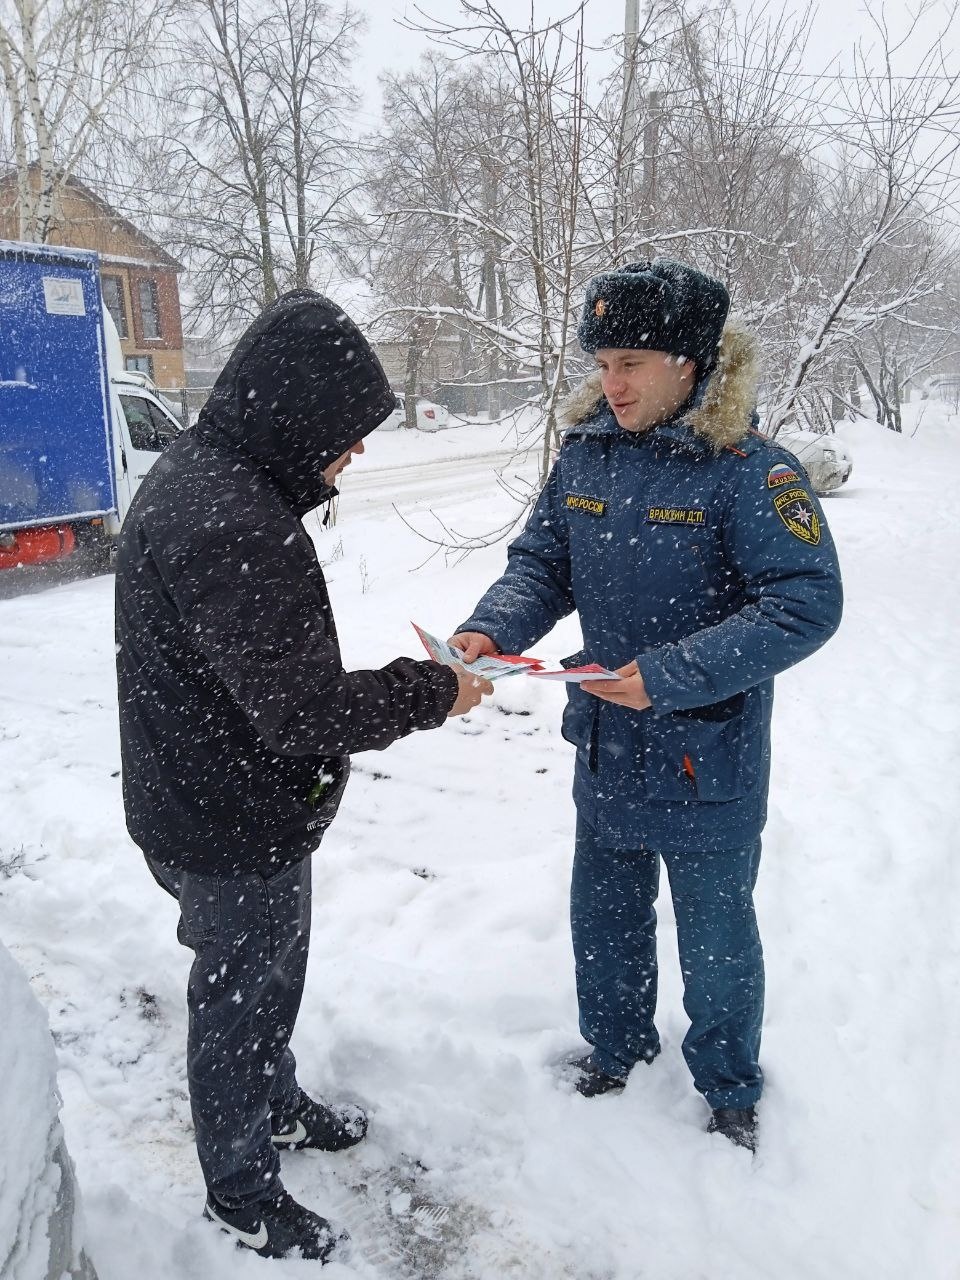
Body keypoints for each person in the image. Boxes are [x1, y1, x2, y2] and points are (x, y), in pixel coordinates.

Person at [115, 290, 492, 1260]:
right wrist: (431, 691)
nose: (356, 451)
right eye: (348, 430)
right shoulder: (233, 516)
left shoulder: (211, 479)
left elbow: (261, 683)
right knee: (237, 999)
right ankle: (240, 1188)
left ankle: (275, 1101)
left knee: (267, 979)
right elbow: (302, 711)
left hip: (220, 802)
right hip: (229, 820)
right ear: (298, 411)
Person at [451, 258, 842, 1152]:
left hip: (709, 756)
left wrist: (670, 674)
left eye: (632, 361)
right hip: (607, 744)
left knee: (715, 942)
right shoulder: (586, 455)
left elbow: (805, 604)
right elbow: (542, 564)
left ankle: (730, 1089)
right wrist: (488, 630)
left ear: (690, 364)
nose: (611, 382)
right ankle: (615, 1049)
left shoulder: (748, 472)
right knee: (606, 917)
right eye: (602, 362)